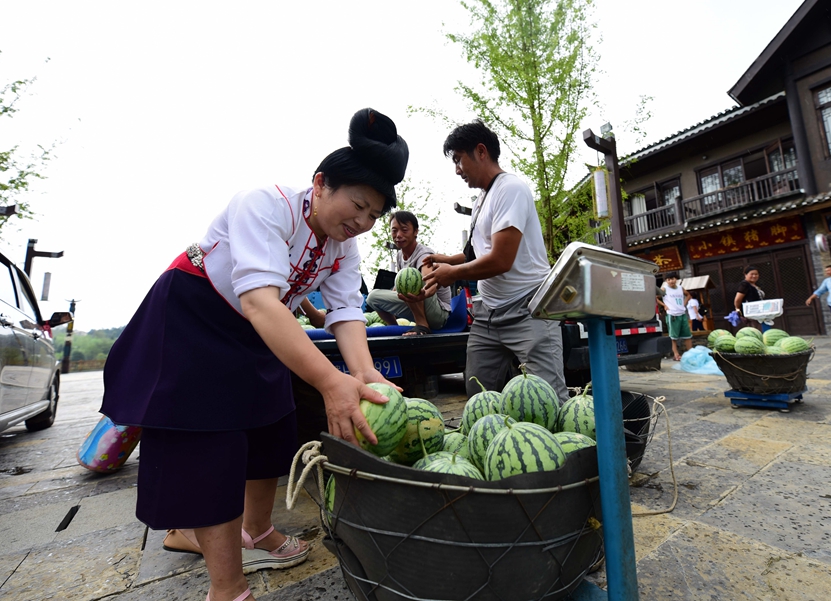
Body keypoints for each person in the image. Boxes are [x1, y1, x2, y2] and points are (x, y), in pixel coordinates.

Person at [100, 108, 409, 601]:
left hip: (258, 326)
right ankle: (228, 588)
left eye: (374, 215)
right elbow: (260, 299)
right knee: (210, 443)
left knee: (272, 424)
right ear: (321, 184)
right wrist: (330, 382)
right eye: (357, 205)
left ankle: (257, 531)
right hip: (194, 313)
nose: (363, 222)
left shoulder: (343, 245)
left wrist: (365, 371)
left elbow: (347, 310)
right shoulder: (265, 204)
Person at [422, 119, 568, 404]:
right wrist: (444, 260)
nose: (457, 170)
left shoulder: (510, 189)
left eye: (458, 160)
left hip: (529, 310)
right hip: (488, 316)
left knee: (548, 399)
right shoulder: (481, 201)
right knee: (479, 395)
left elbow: (501, 259)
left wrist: (452, 274)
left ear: (480, 151)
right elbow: (475, 254)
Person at [365, 211, 452, 335]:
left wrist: (420, 294)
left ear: (415, 231)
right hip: (416, 304)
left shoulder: (424, 254)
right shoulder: (400, 256)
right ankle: (393, 327)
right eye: (394, 230)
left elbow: (429, 284)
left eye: (404, 230)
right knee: (372, 297)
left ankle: (422, 325)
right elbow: (398, 287)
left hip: (438, 314)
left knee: (413, 281)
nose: (398, 235)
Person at [656, 272, 693, 361]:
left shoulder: (680, 288)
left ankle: (691, 353)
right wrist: (664, 305)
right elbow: (656, 297)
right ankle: (676, 354)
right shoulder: (665, 289)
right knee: (673, 337)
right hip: (672, 314)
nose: (671, 281)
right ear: (666, 281)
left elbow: (688, 295)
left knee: (687, 335)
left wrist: (684, 304)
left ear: (676, 279)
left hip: (682, 313)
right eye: (668, 279)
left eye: (672, 279)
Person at [734, 265, 770, 332]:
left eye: (756, 274)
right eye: (752, 274)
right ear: (745, 274)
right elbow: (738, 299)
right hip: (752, 313)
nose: (754, 276)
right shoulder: (744, 284)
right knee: (756, 331)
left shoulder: (754, 285)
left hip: (760, 313)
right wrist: (738, 309)